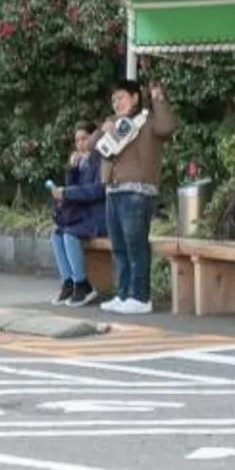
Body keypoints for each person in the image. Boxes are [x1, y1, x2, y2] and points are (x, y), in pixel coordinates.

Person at [96, 75, 176, 315]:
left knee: (135, 244)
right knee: (119, 246)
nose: (116, 103)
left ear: (134, 98)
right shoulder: (113, 122)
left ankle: (140, 296)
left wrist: (159, 99)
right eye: (113, 100)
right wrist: (104, 130)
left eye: (120, 97)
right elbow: (93, 146)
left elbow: (168, 127)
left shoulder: (147, 121)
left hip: (138, 191)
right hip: (113, 190)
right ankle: (124, 294)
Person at [47, 122, 106, 306]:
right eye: (77, 140)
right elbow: (73, 189)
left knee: (69, 234)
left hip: (99, 217)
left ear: (93, 138)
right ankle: (68, 282)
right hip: (82, 217)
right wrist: (72, 169)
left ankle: (83, 284)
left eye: (85, 138)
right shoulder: (81, 162)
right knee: (56, 234)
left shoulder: (101, 160)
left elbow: (97, 191)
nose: (81, 144)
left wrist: (67, 192)